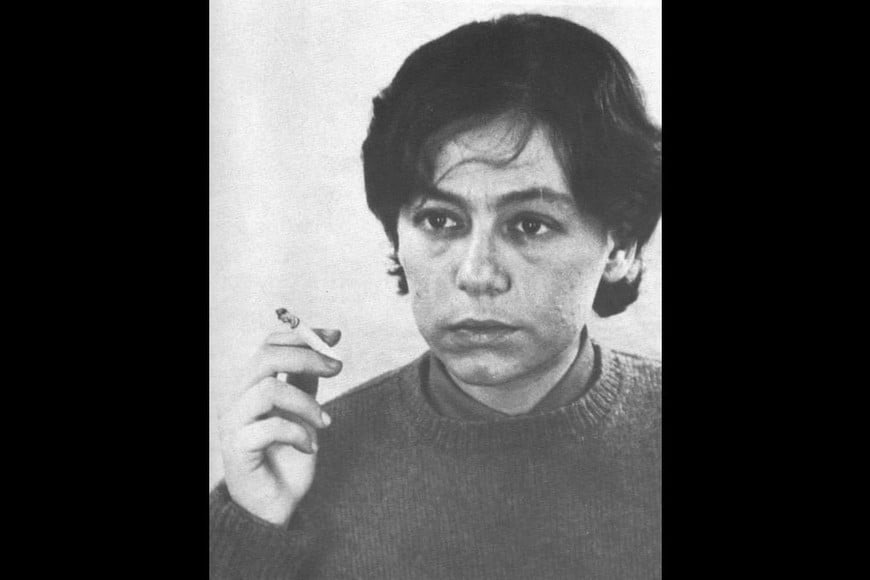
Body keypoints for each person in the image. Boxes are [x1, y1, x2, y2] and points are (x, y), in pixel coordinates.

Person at [210, 13, 661, 579]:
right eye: (441, 220)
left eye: (530, 225)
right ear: (397, 236)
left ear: (620, 246)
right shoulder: (300, 463)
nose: (477, 274)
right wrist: (254, 528)